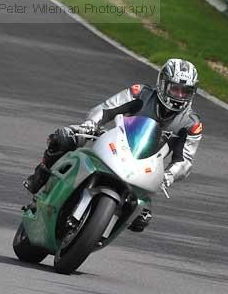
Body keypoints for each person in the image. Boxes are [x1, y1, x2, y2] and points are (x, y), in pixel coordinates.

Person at [24, 58, 202, 232]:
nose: (179, 95)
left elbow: (184, 161)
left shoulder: (191, 123)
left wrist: (168, 176)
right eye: (175, 89)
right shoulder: (140, 93)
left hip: (145, 169)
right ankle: (40, 176)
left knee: (141, 219)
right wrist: (91, 124)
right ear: (163, 85)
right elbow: (106, 109)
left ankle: (96, 231)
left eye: (185, 91)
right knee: (63, 138)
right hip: (117, 146)